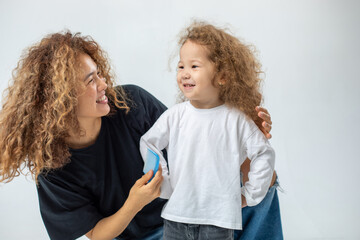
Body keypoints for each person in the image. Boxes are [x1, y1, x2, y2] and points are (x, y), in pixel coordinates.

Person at [0, 31, 274, 240]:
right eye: (90, 80)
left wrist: (246, 140)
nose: (103, 84)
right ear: (60, 100)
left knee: (265, 184)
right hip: (148, 235)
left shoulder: (131, 102)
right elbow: (96, 234)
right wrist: (134, 203)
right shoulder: (53, 168)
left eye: (98, 75)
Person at [139, 21, 281, 240]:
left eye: (194, 66)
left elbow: (263, 153)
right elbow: (149, 143)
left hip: (219, 222)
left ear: (222, 76)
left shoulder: (237, 120)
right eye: (181, 66)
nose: (185, 73)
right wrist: (163, 182)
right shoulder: (174, 116)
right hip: (176, 218)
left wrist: (250, 195)